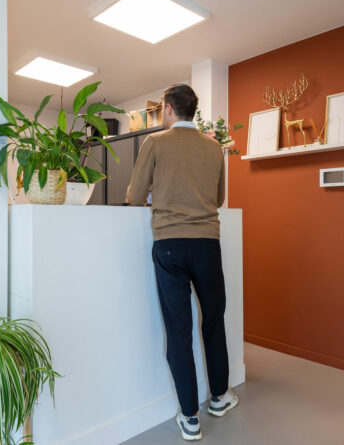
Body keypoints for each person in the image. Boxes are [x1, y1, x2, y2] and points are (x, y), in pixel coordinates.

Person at [126, 83, 239, 441]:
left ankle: (190, 417)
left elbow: (132, 196)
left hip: (170, 244)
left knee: (179, 330)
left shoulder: (155, 143)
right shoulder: (213, 148)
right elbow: (219, 198)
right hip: (207, 243)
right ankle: (220, 397)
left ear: (168, 109)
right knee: (213, 321)